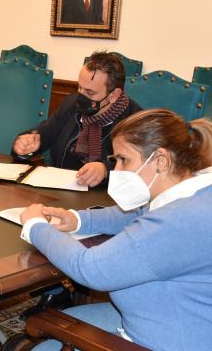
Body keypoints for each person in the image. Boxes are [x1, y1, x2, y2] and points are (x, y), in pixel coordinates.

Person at [20, 109, 212, 350]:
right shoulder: (198, 192)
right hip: (181, 317)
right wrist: (77, 219)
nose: (117, 171)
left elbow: (89, 268)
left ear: (160, 160)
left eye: (123, 160)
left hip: (163, 338)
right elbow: (142, 213)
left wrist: (35, 226)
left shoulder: (177, 221)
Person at [13, 51, 142, 188]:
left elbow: (140, 168)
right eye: (79, 88)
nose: (81, 96)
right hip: (59, 190)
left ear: (114, 95)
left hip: (105, 200)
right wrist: (25, 145)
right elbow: (42, 134)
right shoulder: (70, 104)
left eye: (90, 92)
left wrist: (106, 170)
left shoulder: (135, 121)